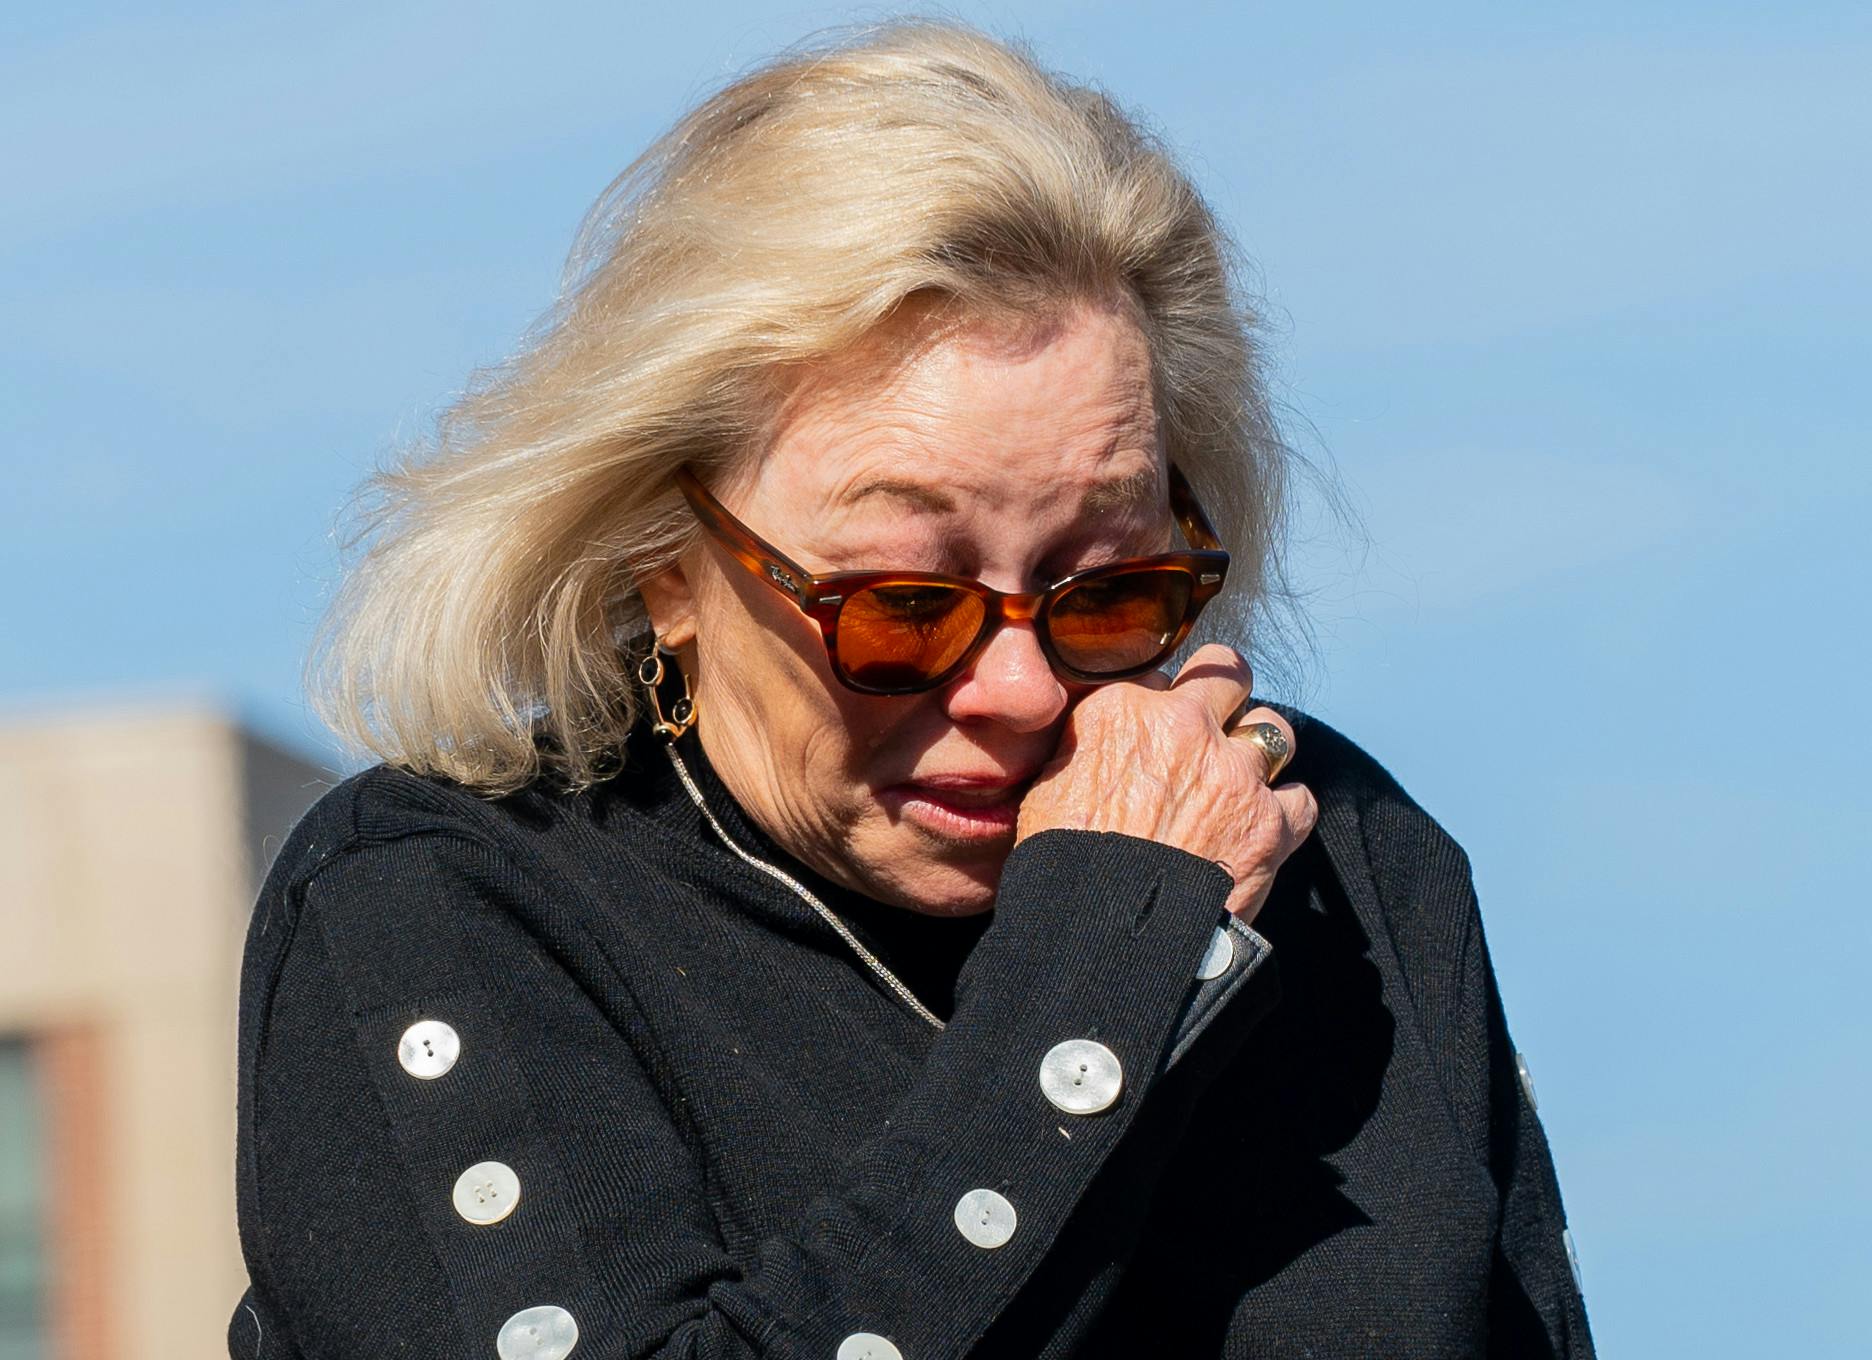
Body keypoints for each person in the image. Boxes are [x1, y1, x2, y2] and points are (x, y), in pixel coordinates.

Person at [229, 19, 1595, 1360]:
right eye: (902, 605)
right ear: (665, 561)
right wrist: (1104, 971)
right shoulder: (437, 904)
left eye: (1105, 593)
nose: (1018, 687)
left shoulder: (1341, 857)